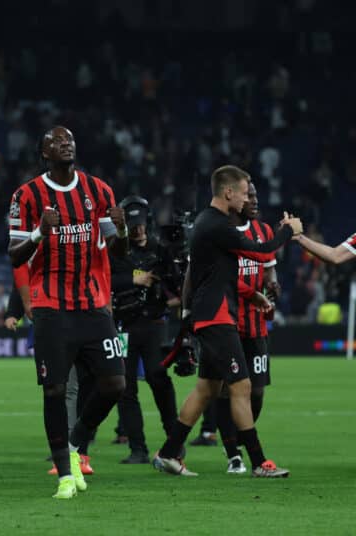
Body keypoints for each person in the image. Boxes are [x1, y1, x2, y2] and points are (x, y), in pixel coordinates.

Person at [153, 165, 302, 478]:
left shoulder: (210, 223)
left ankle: (168, 454)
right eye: (245, 193)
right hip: (218, 318)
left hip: (211, 315)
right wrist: (289, 230)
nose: (248, 199)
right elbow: (261, 253)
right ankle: (259, 462)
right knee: (242, 386)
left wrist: (252, 296)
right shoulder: (218, 225)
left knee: (206, 388)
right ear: (228, 192)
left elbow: (218, 276)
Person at [8, 125, 128, 500]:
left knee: (115, 383)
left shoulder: (100, 190)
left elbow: (116, 254)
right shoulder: (26, 195)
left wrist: (121, 232)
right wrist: (40, 234)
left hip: (93, 305)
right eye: (56, 141)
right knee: (56, 389)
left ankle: (75, 445)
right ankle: (64, 472)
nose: (65, 144)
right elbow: (14, 254)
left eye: (70, 140)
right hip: (50, 308)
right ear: (44, 153)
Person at [216, 181, 281, 473]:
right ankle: (233, 454)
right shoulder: (220, 233)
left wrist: (272, 283)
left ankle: (242, 437)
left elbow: (269, 267)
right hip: (225, 322)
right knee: (224, 390)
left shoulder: (264, 232)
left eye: (255, 195)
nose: (254, 200)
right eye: (248, 196)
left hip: (255, 326)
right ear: (235, 198)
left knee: (256, 392)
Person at [109, 195, 179, 464]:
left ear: (147, 223)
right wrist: (135, 278)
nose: (138, 230)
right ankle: (137, 449)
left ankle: (174, 443)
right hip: (123, 326)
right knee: (125, 389)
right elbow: (103, 280)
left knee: (158, 379)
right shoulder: (114, 250)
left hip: (153, 323)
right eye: (132, 225)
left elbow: (176, 280)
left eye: (140, 225)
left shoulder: (161, 250)